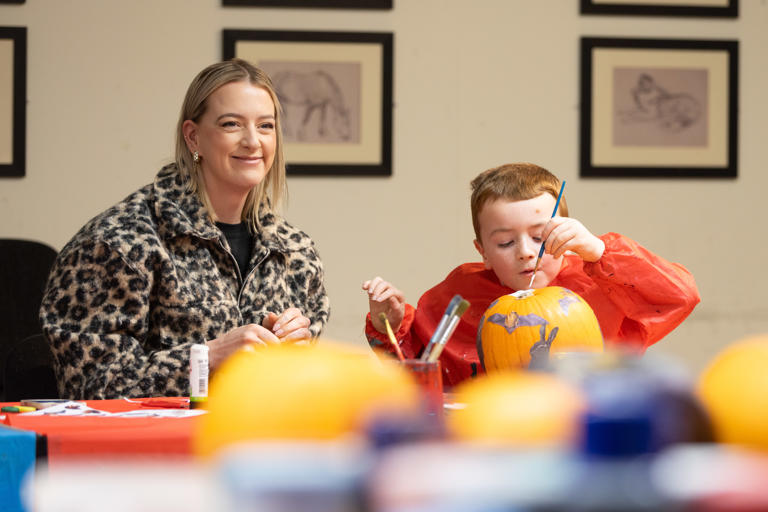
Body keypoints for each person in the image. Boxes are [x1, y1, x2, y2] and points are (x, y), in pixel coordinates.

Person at [40, 59, 330, 399]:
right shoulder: (117, 242)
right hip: (157, 436)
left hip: (259, 432)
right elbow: (90, 385)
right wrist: (208, 356)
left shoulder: (296, 251)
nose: (253, 141)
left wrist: (294, 356)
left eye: (266, 126)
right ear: (193, 137)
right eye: (232, 124)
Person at [363, 163, 699, 387]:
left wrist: (599, 251)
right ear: (483, 251)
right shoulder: (460, 295)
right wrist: (390, 325)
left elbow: (679, 296)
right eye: (505, 242)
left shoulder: (601, 283)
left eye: (540, 237)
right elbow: (417, 372)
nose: (525, 252)